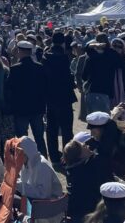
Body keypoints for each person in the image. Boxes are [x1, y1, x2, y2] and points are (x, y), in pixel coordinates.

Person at [7, 41, 48, 156]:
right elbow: (45, 87)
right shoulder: (39, 67)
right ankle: (43, 159)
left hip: (21, 109)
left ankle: (23, 162)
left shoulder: (14, 69)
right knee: (39, 138)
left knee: (21, 139)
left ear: (20, 51)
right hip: (37, 108)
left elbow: (9, 88)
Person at [42, 32, 76, 165]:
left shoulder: (45, 56)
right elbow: (67, 78)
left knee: (52, 129)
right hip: (64, 97)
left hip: (50, 98)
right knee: (67, 129)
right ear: (62, 42)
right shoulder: (64, 57)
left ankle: (55, 157)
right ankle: (68, 156)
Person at [63, 131, 111, 223]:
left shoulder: (72, 169)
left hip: (74, 211)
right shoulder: (88, 169)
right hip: (86, 214)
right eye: (84, 146)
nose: (88, 146)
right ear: (80, 156)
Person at [16, 136, 63, 200]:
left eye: (20, 153)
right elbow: (25, 183)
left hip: (51, 203)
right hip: (36, 200)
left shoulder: (42, 166)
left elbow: (44, 194)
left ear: (27, 153)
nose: (17, 156)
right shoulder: (26, 164)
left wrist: (20, 186)